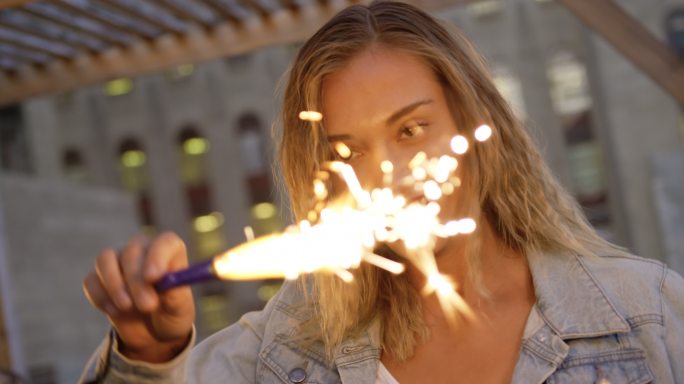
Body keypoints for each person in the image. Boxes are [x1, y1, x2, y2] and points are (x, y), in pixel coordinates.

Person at [80, 1, 684, 383]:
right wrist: (148, 352)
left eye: (412, 129)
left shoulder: (647, 313)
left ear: (477, 127)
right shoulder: (280, 350)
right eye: (348, 152)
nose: (385, 174)